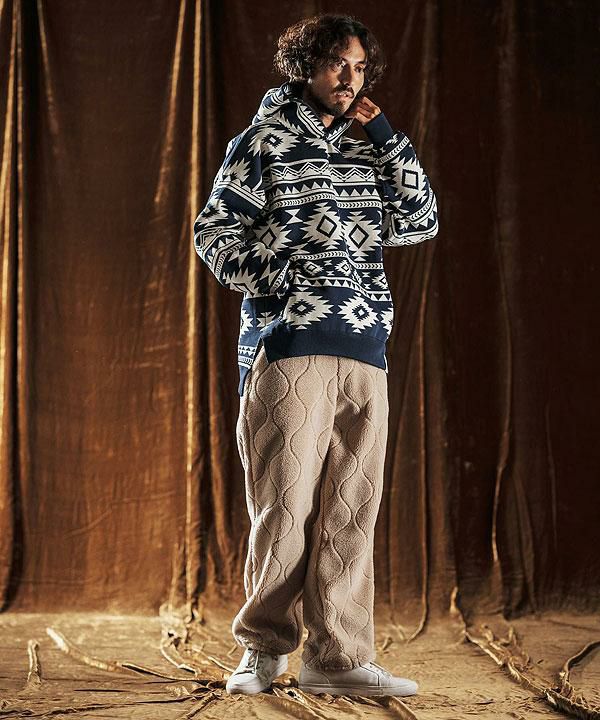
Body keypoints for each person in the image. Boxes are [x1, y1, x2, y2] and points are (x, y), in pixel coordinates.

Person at [193, 12, 438, 698]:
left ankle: (336, 659)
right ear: (305, 66)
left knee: (352, 509)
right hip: (290, 346)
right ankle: (263, 652)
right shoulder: (262, 143)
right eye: (336, 64)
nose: (349, 78)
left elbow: (421, 220)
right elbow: (214, 234)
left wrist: (384, 136)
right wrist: (289, 273)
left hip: (366, 350)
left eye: (359, 67)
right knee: (284, 505)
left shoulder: (367, 153)